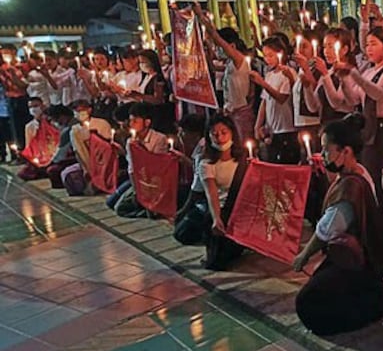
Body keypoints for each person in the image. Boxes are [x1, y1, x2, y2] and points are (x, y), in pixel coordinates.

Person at [293, 114, 383, 336]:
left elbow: (328, 229)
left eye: (327, 150)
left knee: (308, 303)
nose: (323, 154)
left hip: (357, 264)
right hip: (359, 258)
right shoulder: (358, 172)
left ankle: (364, 310)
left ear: (346, 151)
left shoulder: (350, 188)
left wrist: (303, 256)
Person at [337, 26, 383, 205]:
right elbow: (354, 98)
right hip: (370, 129)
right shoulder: (368, 71)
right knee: (371, 175)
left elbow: (378, 93)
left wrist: (354, 75)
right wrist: (344, 80)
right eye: (367, 44)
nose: (368, 49)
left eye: (373, 44)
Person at [176, 115, 248, 270]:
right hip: (219, 209)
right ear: (208, 136)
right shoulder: (206, 163)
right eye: (214, 134)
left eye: (224, 132)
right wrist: (216, 219)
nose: (220, 138)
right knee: (215, 262)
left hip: (240, 211)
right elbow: (211, 193)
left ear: (232, 134)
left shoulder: (244, 159)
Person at [195, 3, 254, 140]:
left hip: (241, 115)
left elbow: (215, 36)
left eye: (220, 47)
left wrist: (200, 16)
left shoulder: (240, 61)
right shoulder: (229, 65)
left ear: (231, 46)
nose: (217, 50)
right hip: (230, 113)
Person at [108, 103, 169, 217]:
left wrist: (141, 150)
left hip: (152, 183)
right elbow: (131, 168)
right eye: (130, 121)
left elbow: (158, 166)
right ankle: (142, 209)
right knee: (113, 204)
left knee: (121, 208)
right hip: (137, 182)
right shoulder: (130, 141)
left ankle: (149, 210)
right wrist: (136, 189)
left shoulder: (159, 139)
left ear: (147, 122)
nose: (131, 124)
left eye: (135, 121)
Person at [250, 37, 299, 164]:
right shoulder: (270, 74)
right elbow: (264, 101)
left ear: (280, 53)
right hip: (272, 129)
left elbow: (282, 98)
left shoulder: (289, 72)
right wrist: (258, 125)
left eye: (271, 55)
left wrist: (262, 83)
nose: (267, 59)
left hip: (286, 127)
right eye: (265, 56)